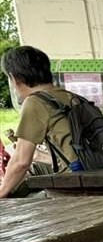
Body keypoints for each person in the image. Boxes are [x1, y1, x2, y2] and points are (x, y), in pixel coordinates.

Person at [1, 45, 77, 199]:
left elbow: (21, 162)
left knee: (24, 200)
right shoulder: (70, 96)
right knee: (31, 173)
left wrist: (1, 193)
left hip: (76, 182)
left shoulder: (35, 102)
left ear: (15, 79)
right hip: (91, 170)